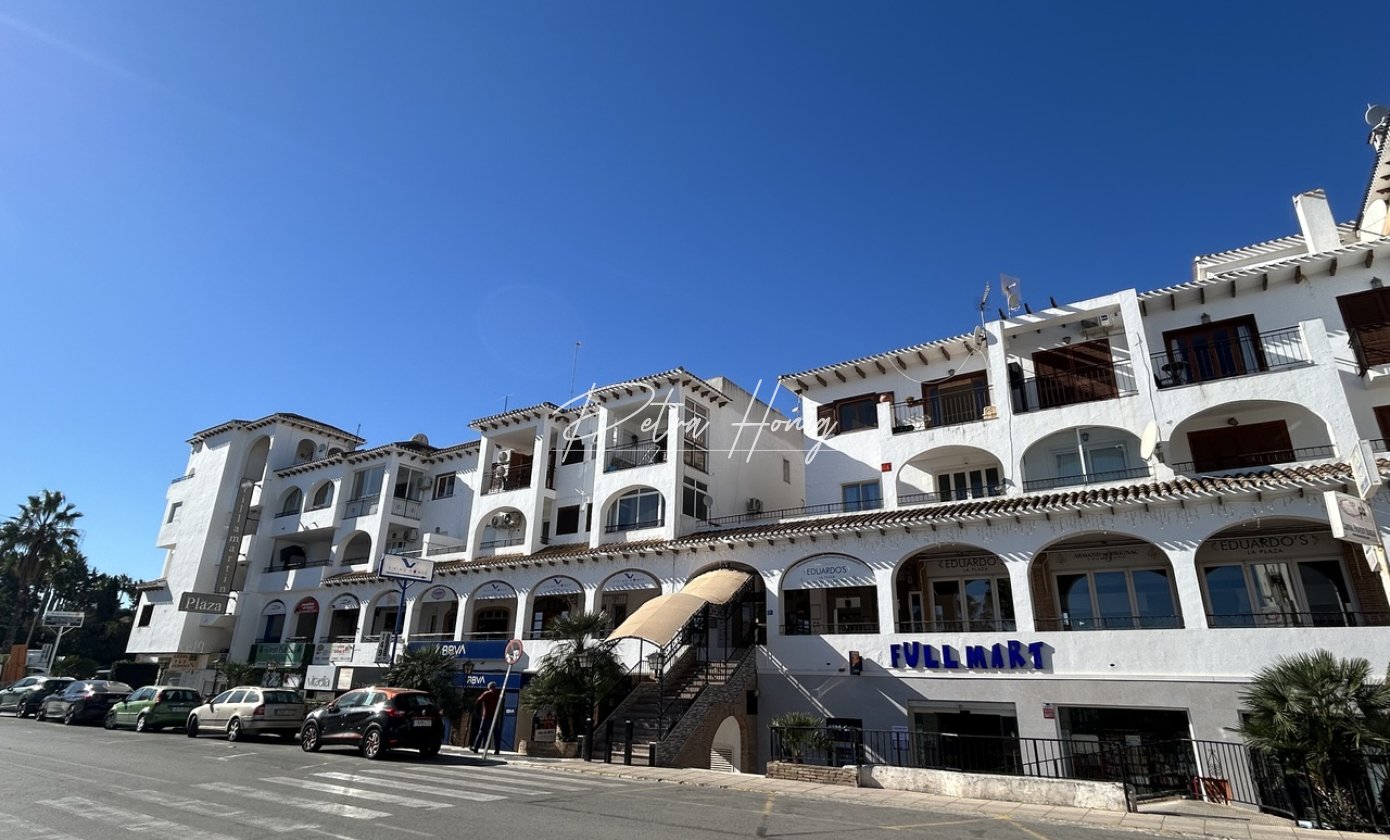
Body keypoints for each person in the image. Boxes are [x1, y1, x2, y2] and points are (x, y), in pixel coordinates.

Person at [471, 682, 501, 753]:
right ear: (495, 687)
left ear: (489, 687)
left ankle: (476, 748)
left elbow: (478, 701)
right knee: (496, 733)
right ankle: (497, 750)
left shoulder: (486, 693)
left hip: (486, 716)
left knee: (481, 732)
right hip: (494, 716)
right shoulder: (498, 694)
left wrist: (478, 711)